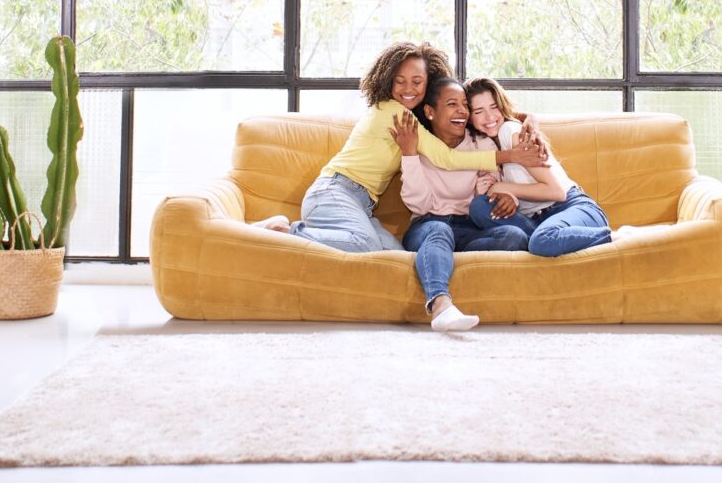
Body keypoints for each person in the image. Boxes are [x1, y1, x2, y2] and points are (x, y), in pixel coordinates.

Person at [257, 42, 545, 254]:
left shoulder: (417, 117)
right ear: (387, 81)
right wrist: (509, 155)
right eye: (400, 81)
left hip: (361, 203)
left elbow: (475, 117)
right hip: (335, 191)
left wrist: (524, 117)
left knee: (395, 256)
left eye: (418, 82)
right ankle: (285, 231)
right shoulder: (393, 112)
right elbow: (446, 157)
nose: (409, 88)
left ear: (428, 84)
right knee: (364, 244)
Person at [390, 77, 529, 332]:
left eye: (465, 105)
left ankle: (439, 256)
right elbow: (419, 205)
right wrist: (409, 155)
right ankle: (440, 305)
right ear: (430, 112)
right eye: (452, 104)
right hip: (428, 224)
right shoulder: (417, 145)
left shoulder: (481, 144)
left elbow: (490, 188)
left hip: (468, 229)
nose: (462, 111)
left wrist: (507, 197)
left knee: (513, 235)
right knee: (439, 231)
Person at [462, 76, 623, 258]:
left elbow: (556, 192)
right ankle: (538, 240)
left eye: (494, 107)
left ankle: (616, 237)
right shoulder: (485, 144)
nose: (489, 117)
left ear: (502, 106)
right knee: (479, 206)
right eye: (479, 111)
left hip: (571, 207)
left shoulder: (511, 132)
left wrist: (500, 188)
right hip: (538, 221)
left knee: (542, 241)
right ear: (469, 117)